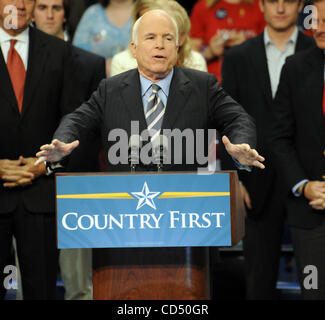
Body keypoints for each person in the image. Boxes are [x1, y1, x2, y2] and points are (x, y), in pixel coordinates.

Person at [219, 0, 314, 299]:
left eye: (289, 0)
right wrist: (236, 178)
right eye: (273, 0)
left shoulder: (317, 52)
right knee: (258, 285)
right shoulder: (237, 57)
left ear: (301, 6)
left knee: (315, 283)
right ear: (260, 5)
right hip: (256, 183)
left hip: (308, 182)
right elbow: (225, 120)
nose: (281, 7)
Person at [0, 0, 80, 299]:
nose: (19, 4)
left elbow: (72, 118)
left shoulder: (59, 51)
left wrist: (45, 163)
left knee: (42, 291)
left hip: (42, 195)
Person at [31, 0, 106, 300]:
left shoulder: (90, 63)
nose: (49, 14)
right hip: (28, 182)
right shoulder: (15, 62)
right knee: (31, 285)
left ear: (65, 14)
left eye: (57, 7)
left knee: (79, 288)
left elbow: (97, 127)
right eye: (42, 6)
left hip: (76, 186)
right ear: (32, 11)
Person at [269, 0, 325, 299]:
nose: (318, 28)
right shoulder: (296, 67)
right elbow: (278, 137)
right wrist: (304, 187)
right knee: (314, 291)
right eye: (315, 20)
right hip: (309, 216)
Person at [110, 0, 207, 76]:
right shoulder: (121, 63)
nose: (160, 44)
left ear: (181, 37)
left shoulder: (195, 62)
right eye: (151, 37)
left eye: (168, 37)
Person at [190, 0, 265, 82]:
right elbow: (189, 54)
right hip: (214, 83)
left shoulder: (260, 5)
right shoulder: (203, 6)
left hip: (251, 80)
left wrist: (247, 46)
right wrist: (210, 51)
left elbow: (272, 48)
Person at [72, 0, 135, 75]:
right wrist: (100, 66)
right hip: (98, 82)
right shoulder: (92, 13)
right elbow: (77, 55)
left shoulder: (145, 11)